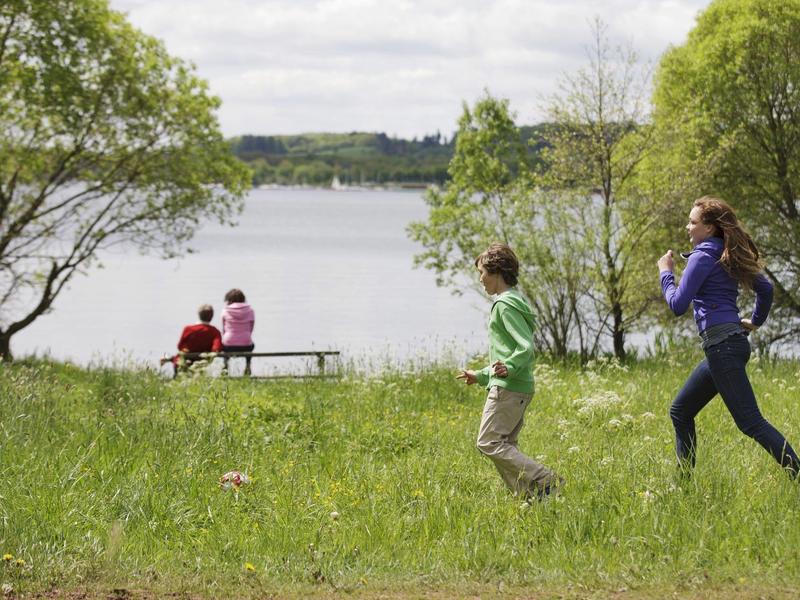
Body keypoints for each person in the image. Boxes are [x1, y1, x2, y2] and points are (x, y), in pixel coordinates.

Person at [658, 196, 799, 478]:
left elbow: (677, 305)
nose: (688, 227)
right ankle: (684, 486)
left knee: (750, 422)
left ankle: (796, 471)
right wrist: (755, 322)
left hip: (722, 348)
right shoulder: (727, 252)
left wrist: (666, 274)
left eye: (693, 222)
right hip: (728, 345)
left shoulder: (702, 257)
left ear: (709, 228)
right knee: (681, 411)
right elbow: (766, 289)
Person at [457, 242, 564, 501]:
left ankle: (544, 479)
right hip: (516, 385)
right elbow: (507, 355)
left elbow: (524, 347)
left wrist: (510, 368)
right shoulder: (515, 301)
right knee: (505, 446)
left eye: (482, 272)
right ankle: (531, 498)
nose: (481, 279)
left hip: (509, 387)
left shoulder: (504, 304)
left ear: (497, 272)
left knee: (488, 443)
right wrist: (482, 375)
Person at [161, 304, 222, 377]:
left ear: (199, 315)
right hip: (203, 361)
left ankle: (169, 359)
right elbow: (216, 349)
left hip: (186, 360)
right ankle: (169, 358)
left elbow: (179, 346)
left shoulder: (188, 329)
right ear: (212, 316)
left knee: (178, 357)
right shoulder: (215, 331)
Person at [221, 288, 256, 376]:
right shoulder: (250, 310)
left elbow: (224, 329)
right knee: (251, 343)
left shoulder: (225, 311)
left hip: (228, 344)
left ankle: (225, 366)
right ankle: (248, 366)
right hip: (246, 344)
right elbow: (251, 328)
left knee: (224, 344)